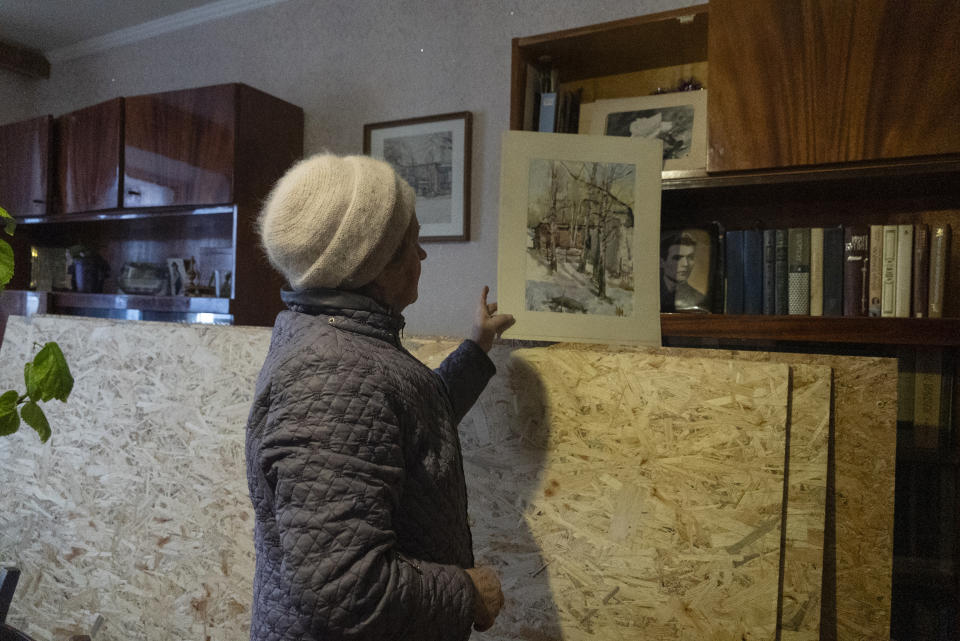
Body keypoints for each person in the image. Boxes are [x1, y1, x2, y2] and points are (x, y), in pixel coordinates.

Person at [245, 153, 515, 641]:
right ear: (372, 267)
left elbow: (403, 423)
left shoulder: (336, 339)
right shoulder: (334, 372)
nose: (423, 256)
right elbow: (343, 587)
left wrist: (477, 348)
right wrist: (466, 593)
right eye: (412, 242)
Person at [660, 231, 706, 312]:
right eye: (677, 258)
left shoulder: (698, 298)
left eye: (690, 257)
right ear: (662, 262)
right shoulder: (648, 294)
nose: (685, 264)